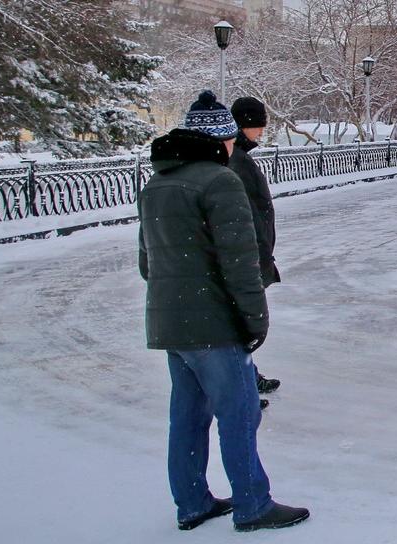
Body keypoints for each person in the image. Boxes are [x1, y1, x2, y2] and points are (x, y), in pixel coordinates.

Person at [138, 90, 309, 532]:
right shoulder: (220, 181)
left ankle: (192, 502)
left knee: (188, 417)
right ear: (219, 140)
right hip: (214, 323)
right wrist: (255, 319)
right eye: (231, 137)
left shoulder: (156, 183)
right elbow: (240, 262)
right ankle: (253, 504)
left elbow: (146, 264)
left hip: (169, 321)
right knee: (240, 413)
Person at [228, 96, 282, 409]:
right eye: (258, 125)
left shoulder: (238, 156)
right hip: (247, 255)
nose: (261, 131)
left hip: (252, 252)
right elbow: (243, 212)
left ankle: (248, 376)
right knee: (240, 324)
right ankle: (243, 383)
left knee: (240, 323)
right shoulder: (235, 160)